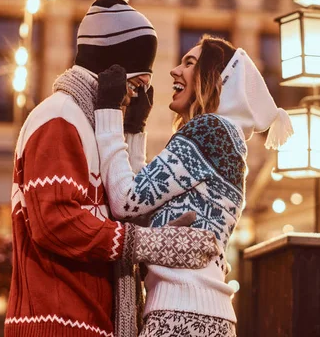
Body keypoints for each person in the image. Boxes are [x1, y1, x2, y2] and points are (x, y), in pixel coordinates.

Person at [4, 0, 219, 337]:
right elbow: (55, 220)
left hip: (87, 322)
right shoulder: (59, 118)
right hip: (57, 323)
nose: (138, 94)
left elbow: (122, 207)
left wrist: (132, 133)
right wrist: (149, 244)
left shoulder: (93, 126)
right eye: (135, 84)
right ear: (111, 70)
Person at [95, 36, 294, 336]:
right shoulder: (226, 140)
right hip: (202, 314)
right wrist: (134, 131)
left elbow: (125, 200)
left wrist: (108, 114)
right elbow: (138, 209)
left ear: (216, 79)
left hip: (181, 315)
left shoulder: (210, 131)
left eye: (189, 63)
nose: (175, 70)